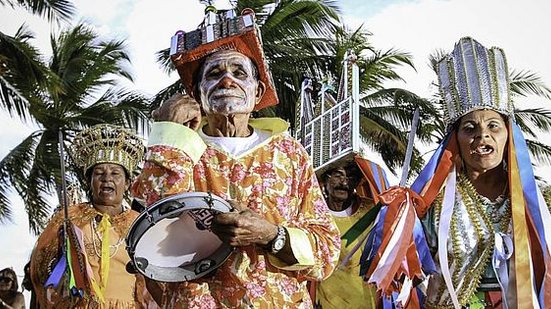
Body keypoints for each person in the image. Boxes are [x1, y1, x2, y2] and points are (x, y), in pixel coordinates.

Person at [132, 7, 340, 308]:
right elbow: (151, 226)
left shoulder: (290, 154)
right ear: (197, 93)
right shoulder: (180, 147)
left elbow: (327, 251)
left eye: (239, 73)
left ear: (258, 92)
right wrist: (169, 134)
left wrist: (271, 235)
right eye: (214, 74)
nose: (227, 81)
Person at [361, 37, 551, 308]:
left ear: (510, 135)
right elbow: (398, 279)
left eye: (494, 126)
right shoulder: (430, 207)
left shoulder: (540, 206)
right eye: (470, 128)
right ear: (456, 140)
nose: (482, 135)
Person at [30, 124, 148, 308]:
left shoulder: (139, 223)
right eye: (99, 173)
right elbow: (40, 267)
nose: (107, 178)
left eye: (115, 173)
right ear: (89, 181)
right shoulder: (69, 218)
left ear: (127, 184)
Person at [314, 158, 389, 308]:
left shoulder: (373, 211)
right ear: (324, 179)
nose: (344, 182)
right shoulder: (313, 214)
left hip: (369, 302)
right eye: (337, 175)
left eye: (350, 177)